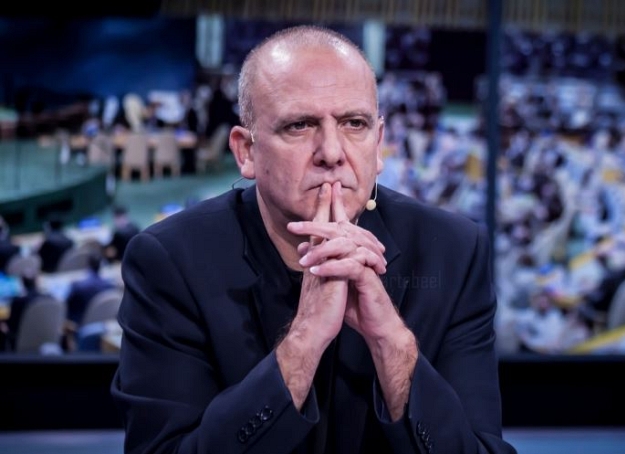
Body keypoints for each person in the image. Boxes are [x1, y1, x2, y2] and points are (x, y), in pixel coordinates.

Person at [111, 25, 516, 454]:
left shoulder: (453, 252)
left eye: (354, 124)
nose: (332, 153)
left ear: (378, 144)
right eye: (300, 125)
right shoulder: (170, 261)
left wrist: (391, 341)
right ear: (246, 151)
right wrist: (303, 342)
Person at [65, 253, 116, 326]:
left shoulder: (78, 287)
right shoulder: (110, 287)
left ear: (88, 264)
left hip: (80, 324)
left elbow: (67, 305)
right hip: (102, 323)